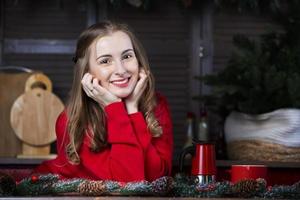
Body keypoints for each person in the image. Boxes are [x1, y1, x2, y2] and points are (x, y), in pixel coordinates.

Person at [34, 21, 173, 182]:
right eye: (105, 61)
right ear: (87, 72)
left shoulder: (156, 105)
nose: (121, 70)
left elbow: (156, 180)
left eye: (127, 56)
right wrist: (115, 109)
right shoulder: (72, 121)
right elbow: (126, 184)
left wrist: (132, 109)